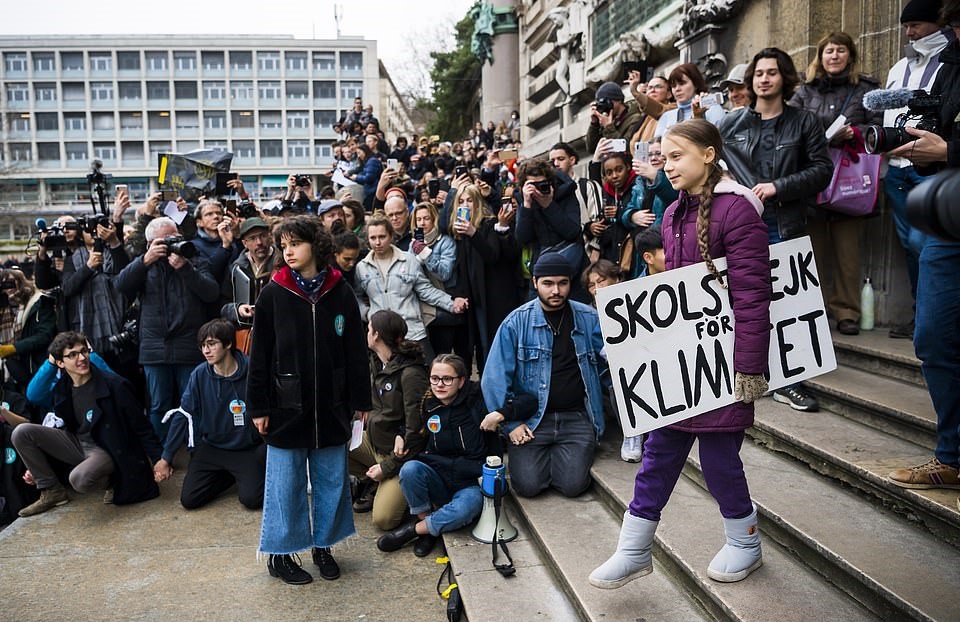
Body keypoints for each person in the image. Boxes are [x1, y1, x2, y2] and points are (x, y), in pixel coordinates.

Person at [589, 118, 771, 589]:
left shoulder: (739, 211)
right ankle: (633, 550)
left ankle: (745, 543)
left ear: (708, 155)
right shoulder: (670, 213)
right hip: (680, 366)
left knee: (719, 461)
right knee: (656, 458)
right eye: (663, 158)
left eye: (676, 156)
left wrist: (749, 366)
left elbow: (753, 295)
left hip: (724, 365)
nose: (665, 166)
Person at [246, 214, 371, 585]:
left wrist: (360, 399)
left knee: (332, 481)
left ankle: (324, 546)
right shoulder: (273, 292)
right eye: (283, 246)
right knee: (285, 486)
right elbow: (259, 355)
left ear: (315, 245)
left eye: (295, 244)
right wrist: (258, 406)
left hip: (332, 405)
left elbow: (355, 350)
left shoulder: (340, 290)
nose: (288, 252)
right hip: (285, 407)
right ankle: (281, 554)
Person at [718, 47, 833, 412]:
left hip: (784, 222)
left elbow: (822, 170)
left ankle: (790, 381)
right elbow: (708, 160)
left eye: (771, 72)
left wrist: (777, 187)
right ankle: (746, 373)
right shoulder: (731, 124)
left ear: (784, 77)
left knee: (787, 303)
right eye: (759, 73)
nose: (764, 79)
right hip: (738, 223)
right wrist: (724, 179)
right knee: (740, 301)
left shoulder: (805, 121)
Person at [885, 0, 960, 501]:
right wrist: (926, 148)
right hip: (950, 214)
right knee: (932, 334)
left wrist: (950, 150)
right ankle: (952, 457)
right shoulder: (949, 64)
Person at [482, 251, 609, 498]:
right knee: (527, 486)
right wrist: (511, 425)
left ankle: (559, 459)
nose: (556, 291)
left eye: (563, 283)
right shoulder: (516, 323)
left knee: (573, 486)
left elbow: (609, 364)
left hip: (576, 417)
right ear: (535, 282)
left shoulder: (588, 318)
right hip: (532, 420)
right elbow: (494, 379)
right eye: (548, 283)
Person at [13, 331, 163, 516]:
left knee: (79, 480)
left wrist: (159, 460)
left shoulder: (114, 385)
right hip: (78, 443)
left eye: (84, 351)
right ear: (60, 363)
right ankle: (52, 491)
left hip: (107, 448)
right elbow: (34, 395)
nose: (82, 358)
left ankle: (112, 480)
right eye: (72, 355)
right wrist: (41, 466)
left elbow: (142, 426)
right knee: (21, 432)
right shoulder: (62, 388)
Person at [790, 31, 881, 336]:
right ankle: (812, 311)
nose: (834, 56)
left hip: (851, 180)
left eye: (841, 50)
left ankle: (846, 312)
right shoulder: (804, 92)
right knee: (811, 252)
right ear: (820, 57)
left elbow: (879, 128)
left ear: (850, 55)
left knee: (848, 252)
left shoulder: (865, 89)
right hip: (813, 179)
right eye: (829, 51)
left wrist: (855, 133)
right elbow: (789, 127)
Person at [377, 354, 501, 556]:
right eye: (435, 378)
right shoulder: (428, 404)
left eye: (447, 379)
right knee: (410, 469)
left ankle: (415, 531)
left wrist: (502, 414)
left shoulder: (478, 400)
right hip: (439, 477)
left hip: (469, 483)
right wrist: (401, 435)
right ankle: (427, 524)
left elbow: (522, 400)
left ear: (461, 381)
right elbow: (412, 428)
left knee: (466, 508)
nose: (439, 384)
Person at [882, 0, 952, 339]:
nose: (909, 33)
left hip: (935, 167)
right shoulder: (898, 68)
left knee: (925, 243)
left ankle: (937, 315)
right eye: (906, 27)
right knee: (909, 245)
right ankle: (919, 313)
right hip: (898, 168)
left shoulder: (949, 64)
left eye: (916, 26)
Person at [115, 217, 220, 439]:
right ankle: (162, 452)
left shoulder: (194, 259)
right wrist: (145, 260)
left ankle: (196, 448)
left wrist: (185, 268)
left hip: (189, 344)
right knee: (158, 405)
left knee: (193, 402)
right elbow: (121, 285)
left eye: (175, 238)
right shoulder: (144, 263)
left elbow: (211, 293)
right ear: (150, 243)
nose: (173, 243)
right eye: (166, 241)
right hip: (154, 347)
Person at [153, 319, 265, 510]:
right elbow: (183, 415)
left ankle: (242, 473)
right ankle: (230, 475)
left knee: (252, 500)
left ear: (228, 344)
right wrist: (166, 458)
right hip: (212, 446)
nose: (206, 351)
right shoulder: (199, 375)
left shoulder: (252, 370)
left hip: (245, 448)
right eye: (203, 345)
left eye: (211, 344)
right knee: (190, 500)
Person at [349, 310, 428, 529]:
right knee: (335, 443)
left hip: (400, 457)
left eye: (369, 329)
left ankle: (387, 481)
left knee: (383, 520)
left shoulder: (411, 374)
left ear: (376, 336)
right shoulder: (378, 362)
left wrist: (387, 466)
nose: (366, 333)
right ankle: (373, 481)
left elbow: (416, 433)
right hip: (375, 443)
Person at [354, 214, 468, 363]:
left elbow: (426, 290)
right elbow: (356, 296)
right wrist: (367, 313)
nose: (378, 242)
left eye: (382, 237)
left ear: (391, 236)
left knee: (425, 373)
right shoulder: (361, 267)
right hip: (382, 336)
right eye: (373, 238)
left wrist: (451, 303)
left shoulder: (408, 260)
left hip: (412, 331)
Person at [515, 158, 589, 302]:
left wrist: (549, 205)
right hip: (542, 268)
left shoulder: (566, 192)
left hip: (573, 268)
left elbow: (572, 231)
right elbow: (522, 238)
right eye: (532, 184)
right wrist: (527, 205)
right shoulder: (524, 201)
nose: (538, 188)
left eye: (542, 183)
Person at [0, 268, 58, 391]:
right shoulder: (4, 306)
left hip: (34, 365)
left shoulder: (39, 301)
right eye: (4, 284)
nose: (9, 288)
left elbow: (45, 335)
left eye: (11, 282)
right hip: (10, 369)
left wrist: (13, 348)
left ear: (21, 281)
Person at [655, 63, 727, 137]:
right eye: (673, 86)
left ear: (695, 84)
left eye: (682, 83)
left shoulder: (713, 109)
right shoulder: (666, 117)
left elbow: (719, 139)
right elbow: (656, 143)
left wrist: (698, 117)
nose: (677, 89)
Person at [586, 81, 644, 153]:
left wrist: (609, 128)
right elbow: (591, 148)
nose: (606, 106)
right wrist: (594, 124)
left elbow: (627, 149)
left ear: (619, 100)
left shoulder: (635, 119)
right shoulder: (606, 120)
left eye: (607, 102)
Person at [627, 73, 676, 147]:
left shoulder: (673, 109)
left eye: (658, 87)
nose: (653, 90)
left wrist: (635, 92)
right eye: (650, 88)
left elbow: (659, 109)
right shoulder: (646, 117)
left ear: (669, 94)